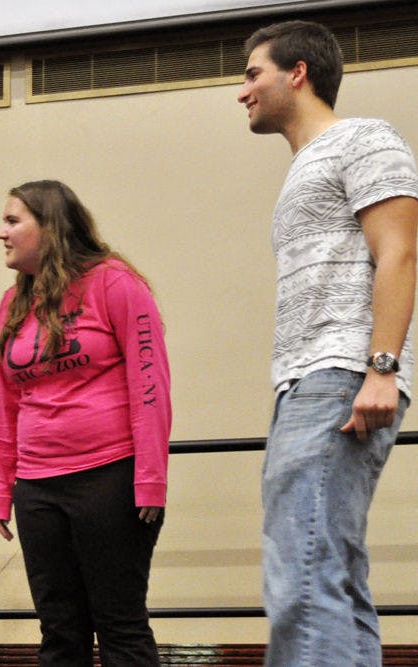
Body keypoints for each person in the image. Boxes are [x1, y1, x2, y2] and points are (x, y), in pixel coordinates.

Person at [238, 20, 418, 666]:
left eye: (253, 73)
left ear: (298, 73)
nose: (242, 91)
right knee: (328, 571)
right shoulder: (304, 167)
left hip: (340, 373)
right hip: (306, 381)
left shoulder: (364, 138)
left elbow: (401, 250)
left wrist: (382, 368)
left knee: (303, 575)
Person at [0, 180, 171, 666]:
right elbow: (7, 403)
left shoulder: (115, 283)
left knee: (119, 624)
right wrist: (2, 488)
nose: (1, 233)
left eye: (12, 221)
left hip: (108, 478)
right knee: (60, 630)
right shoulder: (12, 304)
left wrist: (150, 478)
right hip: (37, 486)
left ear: (50, 226)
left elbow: (150, 385)